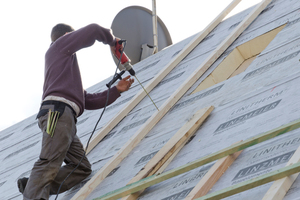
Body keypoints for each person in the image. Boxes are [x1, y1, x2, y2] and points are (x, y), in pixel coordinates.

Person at [17, 23, 134, 200]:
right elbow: (94, 30)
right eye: (72, 35)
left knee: (81, 167)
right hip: (58, 113)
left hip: (65, 117)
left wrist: (117, 90)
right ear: (66, 35)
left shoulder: (65, 70)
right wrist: (112, 41)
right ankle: (34, 193)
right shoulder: (58, 46)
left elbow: (87, 100)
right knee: (49, 162)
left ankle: (33, 186)